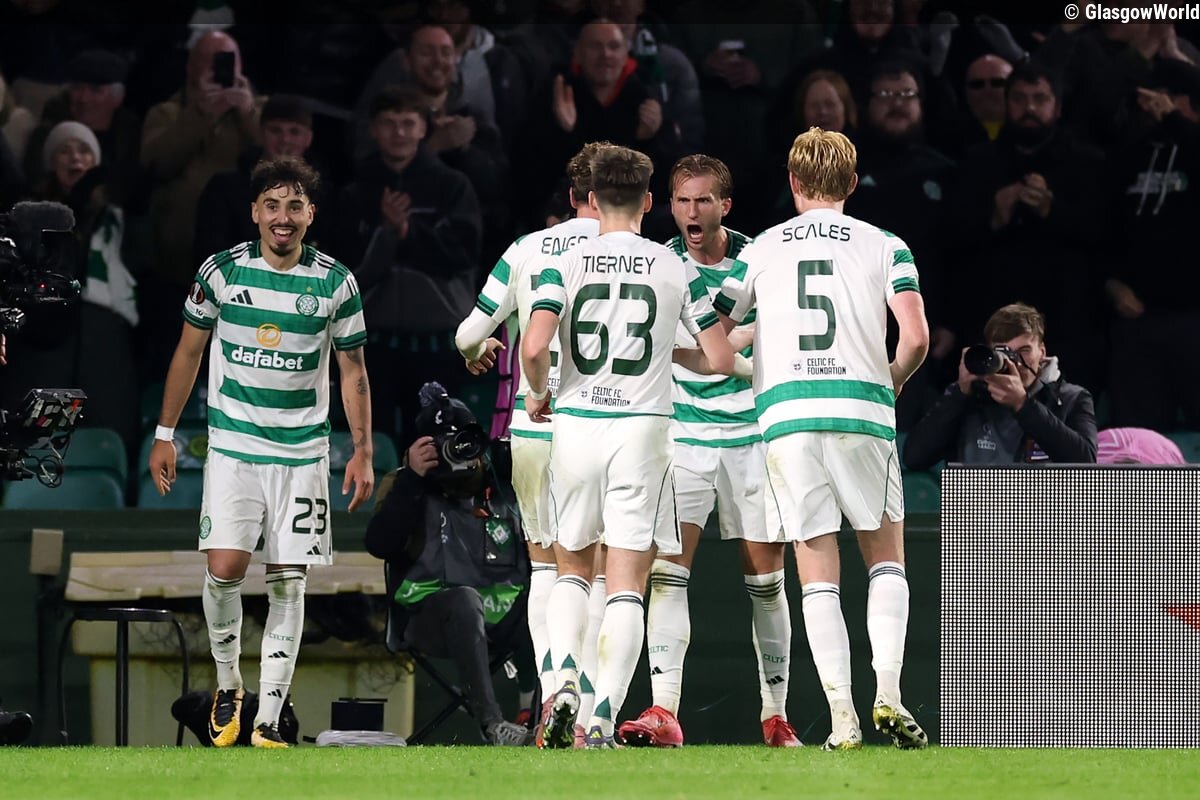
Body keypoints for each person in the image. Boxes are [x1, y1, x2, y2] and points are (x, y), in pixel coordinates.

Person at [712, 127, 930, 750]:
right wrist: (890, 381)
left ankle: (841, 718)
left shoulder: (762, 249)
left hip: (788, 417)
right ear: (852, 183)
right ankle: (888, 692)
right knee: (886, 560)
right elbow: (916, 337)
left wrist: (758, 364)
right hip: (862, 410)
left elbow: (720, 334)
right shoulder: (886, 244)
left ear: (793, 182)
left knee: (816, 572)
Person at [148, 156, 374, 749]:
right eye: (272, 205)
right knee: (224, 569)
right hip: (234, 447)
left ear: (310, 214)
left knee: (288, 583)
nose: (282, 217)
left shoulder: (335, 282)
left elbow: (353, 369)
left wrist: (362, 450)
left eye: (294, 206)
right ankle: (229, 686)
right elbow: (188, 352)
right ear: (254, 212)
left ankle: (269, 716)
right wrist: (165, 434)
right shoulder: (221, 273)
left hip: (302, 454)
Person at [521, 145, 735, 748]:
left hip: (577, 425)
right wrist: (682, 354)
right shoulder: (672, 266)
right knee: (626, 582)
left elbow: (533, 347)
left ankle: (563, 682)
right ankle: (599, 719)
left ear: (591, 199)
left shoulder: (563, 260)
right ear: (648, 202)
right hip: (642, 431)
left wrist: (539, 392)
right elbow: (718, 359)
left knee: (569, 569)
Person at [618, 154, 799, 749]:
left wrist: (728, 345)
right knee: (668, 574)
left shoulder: (760, 260)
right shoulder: (660, 265)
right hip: (685, 435)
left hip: (753, 436)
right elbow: (680, 350)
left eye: (703, 200)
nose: (691, 212)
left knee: (766, 580)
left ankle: (776, 715)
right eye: (681, 200)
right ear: (669, 205)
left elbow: (775, 339)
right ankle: (664, 710)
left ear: (725, 205)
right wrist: (736, 342)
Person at [452, 141, 607, 740]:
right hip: (607, 425)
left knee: (545, 568)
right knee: (599, 571)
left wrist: (480, 348)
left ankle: (552, 698)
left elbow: (469, 333)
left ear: (571, 197)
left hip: (533, 426)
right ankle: (593, 715)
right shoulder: (637, 254)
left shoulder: (527, 248)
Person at [364, 382, 535, 746]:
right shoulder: (405, 483)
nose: (455, 449)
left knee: (548, 596)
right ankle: (492, 724)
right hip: (428, 621)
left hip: (499, 618)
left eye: (463, 440)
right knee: (464, 600)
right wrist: (413, 478)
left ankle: (538, 715)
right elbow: (379, 545)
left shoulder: (498, 482)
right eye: (441, 442)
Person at [332, 85, 482, 440]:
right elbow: (343, 267)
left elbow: (464, 254)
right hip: (371, 342)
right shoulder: (354, 191)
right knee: (372, 444)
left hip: (437, 344)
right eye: (389, 123)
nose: (398, 132)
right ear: (373, 129)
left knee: (436, 446)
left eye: (407, 123)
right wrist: (386, 234)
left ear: (423, 129)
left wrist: (408, 232)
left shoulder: (453, 186)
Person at [902, 303, 1097, 470]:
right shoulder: (970, 396)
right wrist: (959, 395)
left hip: (1042, 502)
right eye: (1005, 353)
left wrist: (1023, 405)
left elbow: (1086, 464)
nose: (1015, 362)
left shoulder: (1072, 398)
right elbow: (913, 458)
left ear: (1042, 352)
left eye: (1024, 350)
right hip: (974, 501)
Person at [194, 94, 319, 266]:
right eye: (275, 130)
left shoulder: (322, 194)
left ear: (308, 139)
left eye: (294, 132)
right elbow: (210, 257)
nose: (285, 140)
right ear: (260, 133)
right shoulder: (224, 188)